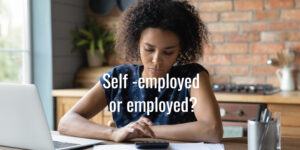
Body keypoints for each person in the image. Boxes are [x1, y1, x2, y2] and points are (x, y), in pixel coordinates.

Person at [58, 0, 223, 143]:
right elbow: (67, 122)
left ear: (181, 49)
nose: (156, 60)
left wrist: (140, 132)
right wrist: (114, 133)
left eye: (168, 52)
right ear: (137, 43)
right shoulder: (119, 77)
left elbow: (212, 130)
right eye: (149, 49)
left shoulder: (193, 76)